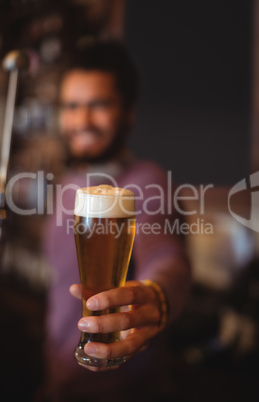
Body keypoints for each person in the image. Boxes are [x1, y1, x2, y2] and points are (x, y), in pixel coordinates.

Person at [40, 39, 191, 402]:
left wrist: (158, 296)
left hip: (120, 388)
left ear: (128, 112)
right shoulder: (70, 184)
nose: (82, 120)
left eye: (99, 105)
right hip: (59, 376)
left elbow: (167, 259)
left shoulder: (145, 181)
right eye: (72, 106)